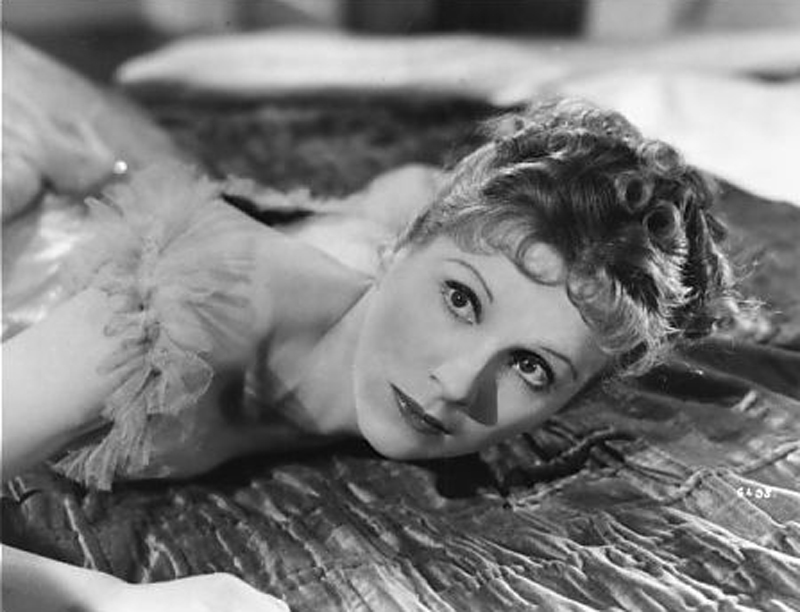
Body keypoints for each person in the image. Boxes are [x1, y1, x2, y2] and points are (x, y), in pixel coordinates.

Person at [2, 98, 739, 611]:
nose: (457, 384)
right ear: (405, 250)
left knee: (380, 208)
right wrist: (112, 602)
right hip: (36, 223)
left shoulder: (419, 249)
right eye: (460, 300)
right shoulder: (166, 316)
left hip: (330, 231)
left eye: (530, 367)